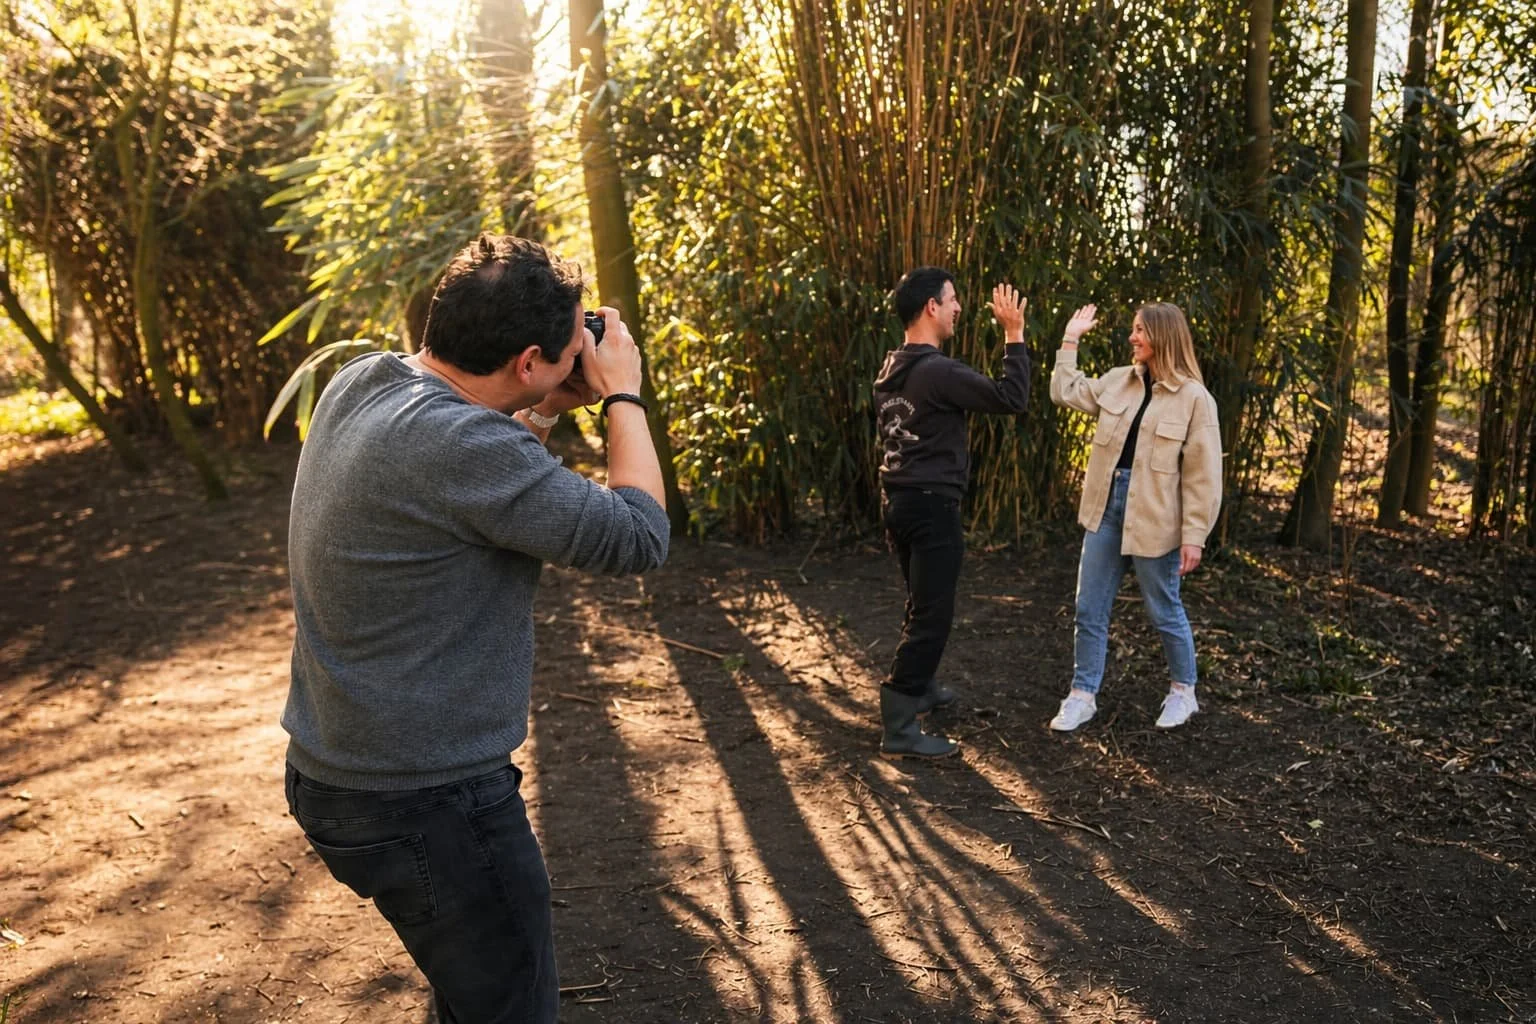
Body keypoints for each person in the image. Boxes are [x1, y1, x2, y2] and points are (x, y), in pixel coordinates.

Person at [280, 233, 669, 1023]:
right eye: (566, 353)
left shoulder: (365, 382)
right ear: (527, 360)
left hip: (338, 770)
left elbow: (477, 481)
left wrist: (545, 405)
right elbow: (638, 537)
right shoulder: (464, 444)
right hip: (429, 804)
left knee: (471, 994)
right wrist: (624, 393)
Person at [873, 267, 1033, 758]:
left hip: (897, 500)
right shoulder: (937, 370)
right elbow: (1013, 398)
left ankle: (919, 688)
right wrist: (1014, 334)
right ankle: (899, 725)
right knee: (933, 614)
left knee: (921, 602)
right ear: (931, 308)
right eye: (953, 299)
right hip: (931, 504)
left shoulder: (889, 368)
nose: (959, 307)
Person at [1047, 301, 1222, 732]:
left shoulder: (1195, 399)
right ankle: (1082, 695)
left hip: (1156, 517)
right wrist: (1071, 337)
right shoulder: (1119, 382)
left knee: (1164, 609)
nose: (1132, 337)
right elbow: (1064, 390)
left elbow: (1203, 476)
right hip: (1106, 508)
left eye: (1139, 330)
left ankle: (1184, 692)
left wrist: (1194, 535)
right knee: (1089, 608)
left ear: (1162, 336)